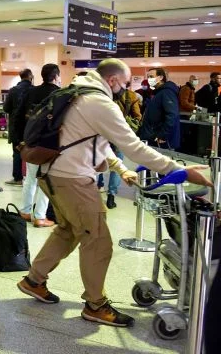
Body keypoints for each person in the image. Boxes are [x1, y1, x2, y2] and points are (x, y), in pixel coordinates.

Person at [16, 58, 212, 328]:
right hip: (74, 179)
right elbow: (134, 147)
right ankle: (95, 305)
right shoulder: (99, 102)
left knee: (68, 230)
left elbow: (95, 141)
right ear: (112, 80)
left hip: (54, 175)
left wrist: (120, 170)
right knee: (98, 240)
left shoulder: (79, 93)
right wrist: (179, 169)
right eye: (126, 82)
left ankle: (33, 280)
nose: (127, 87)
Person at [18, 64, 61, 228]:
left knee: (30, 179)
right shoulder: (58, 95)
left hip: (31, 142)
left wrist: (21, 139)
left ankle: (26, 211)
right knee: (45, 180)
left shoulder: (32, 91)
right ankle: (40, 216)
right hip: (49, 144)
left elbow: (20, 115)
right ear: (56, 76)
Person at [98, 82, 142, 209]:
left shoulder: (103, 94)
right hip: (120, 135)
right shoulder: (131, 96)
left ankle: (97, 188)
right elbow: (137, 117)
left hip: (103, 133)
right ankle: (111, 197)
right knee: (117, 164)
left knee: (98, 161)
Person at [3, 69, 34, 185]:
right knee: (32, 152)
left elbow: (6, 108)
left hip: (16, 126)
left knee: (16, 152)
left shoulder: (13, 90)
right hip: (30, 127)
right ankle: (32, 179)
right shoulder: (34, 90)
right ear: (31, 76)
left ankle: (18, 178)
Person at [138, 68, 180, 150]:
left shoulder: (167, 92)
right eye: (148, 77)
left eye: (151, 76)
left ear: (161, 77)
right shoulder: (158, 93)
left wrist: (162, 135)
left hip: (161, 140)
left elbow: (172, 115)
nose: (149, 79)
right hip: (153, 137)